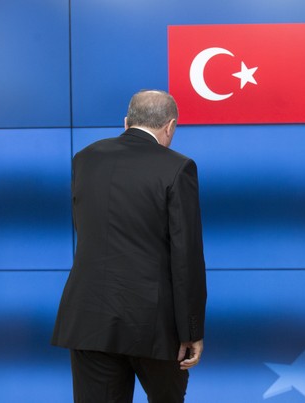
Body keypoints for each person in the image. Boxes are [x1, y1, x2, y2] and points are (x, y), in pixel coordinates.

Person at [52, 90, 207, 403]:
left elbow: (88, 229)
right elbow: (185, 256)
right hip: (155, 324)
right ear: (170, 127)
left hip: (89, 318)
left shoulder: (85, 158)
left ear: (126, 122)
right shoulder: (179, 167)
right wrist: (192, 330)